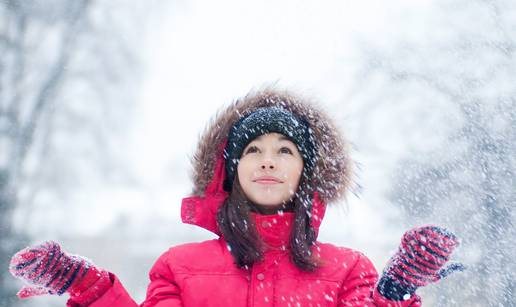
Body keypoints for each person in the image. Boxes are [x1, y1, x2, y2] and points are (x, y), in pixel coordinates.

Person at [9, 87, 464, 306]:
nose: (268, 161)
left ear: (306, 174)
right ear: (230, 171)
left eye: (285, 151)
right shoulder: (178, 267)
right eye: (253, 150)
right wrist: (87, 288)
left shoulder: (348, 270)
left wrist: (397, 289)